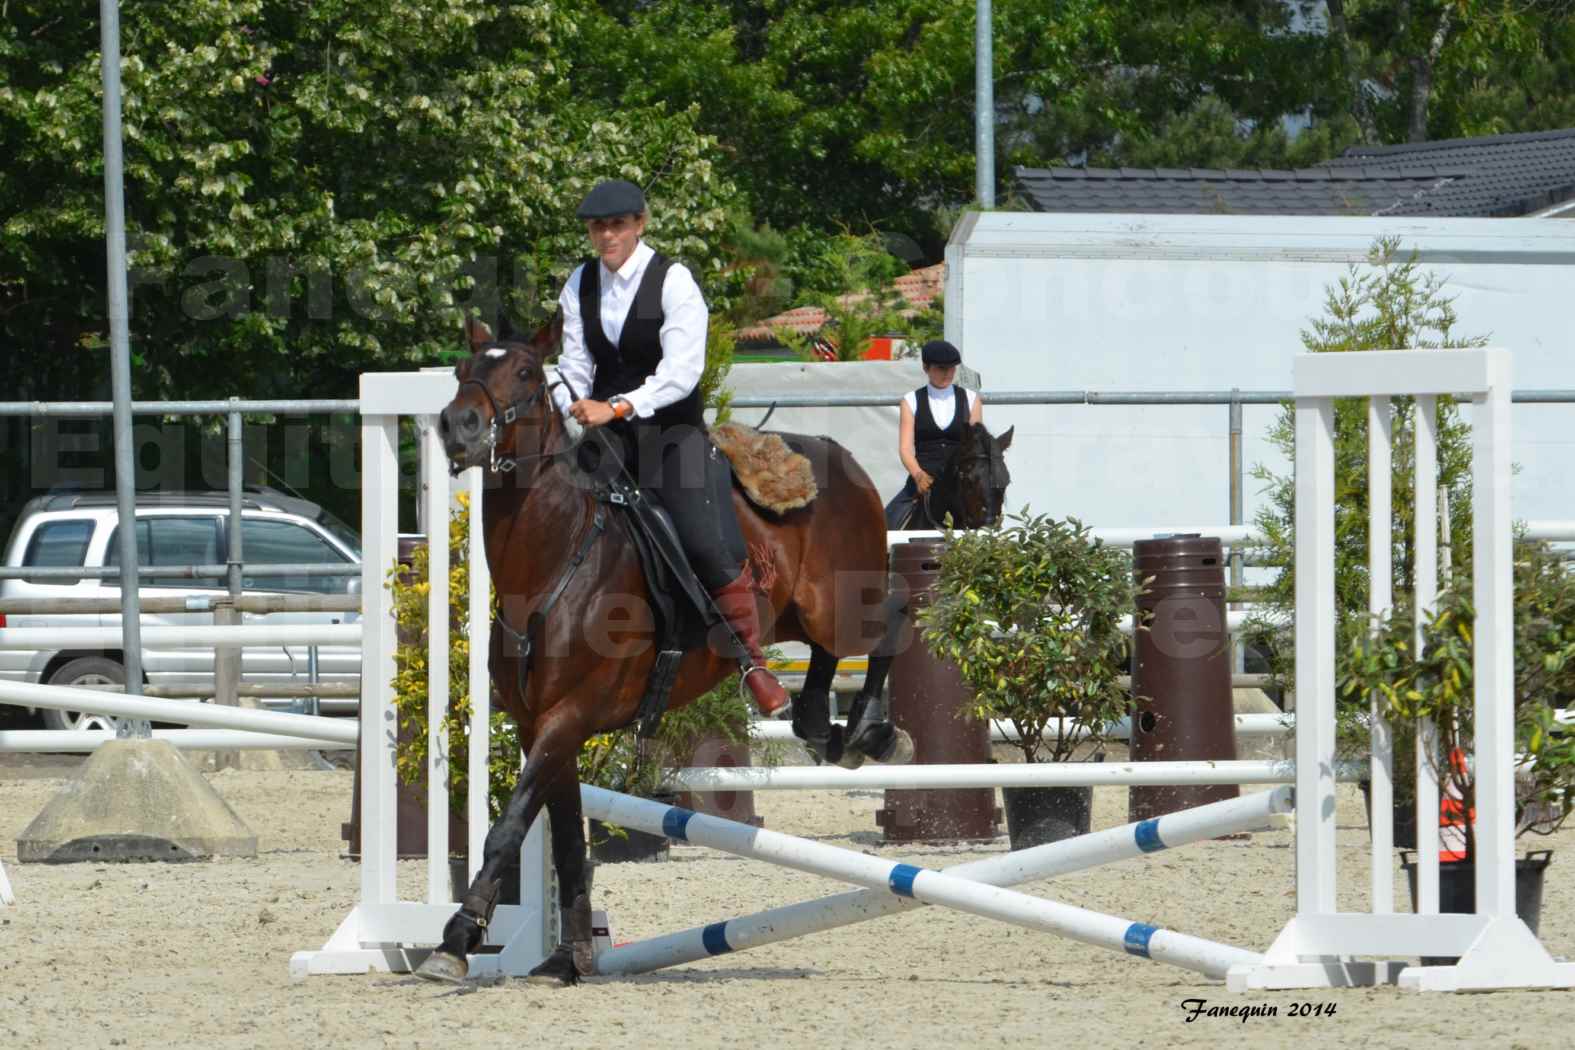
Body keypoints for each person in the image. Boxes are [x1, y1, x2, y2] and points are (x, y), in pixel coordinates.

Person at [552, 178, 789, 715]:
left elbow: (681, 372)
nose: (606, 235)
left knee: (703, 540)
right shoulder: (579, 282)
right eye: (597, 227)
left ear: (640, 223)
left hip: (669, 431)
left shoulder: (674, 281)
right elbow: (573, 363)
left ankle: (751, 659)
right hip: (606, 435)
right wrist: (576, 402)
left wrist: (616, 406)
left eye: (616, 224)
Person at [884, 339, 983, 529]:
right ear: (926, 368)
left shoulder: (971, 400)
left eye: (952, 368)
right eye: (940, 368)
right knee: (885, 524)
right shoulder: (910, 401)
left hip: (960, 481)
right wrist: (918, 475)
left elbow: (975, 446)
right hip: (924, 480)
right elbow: (905, 448)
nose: (947, 373)